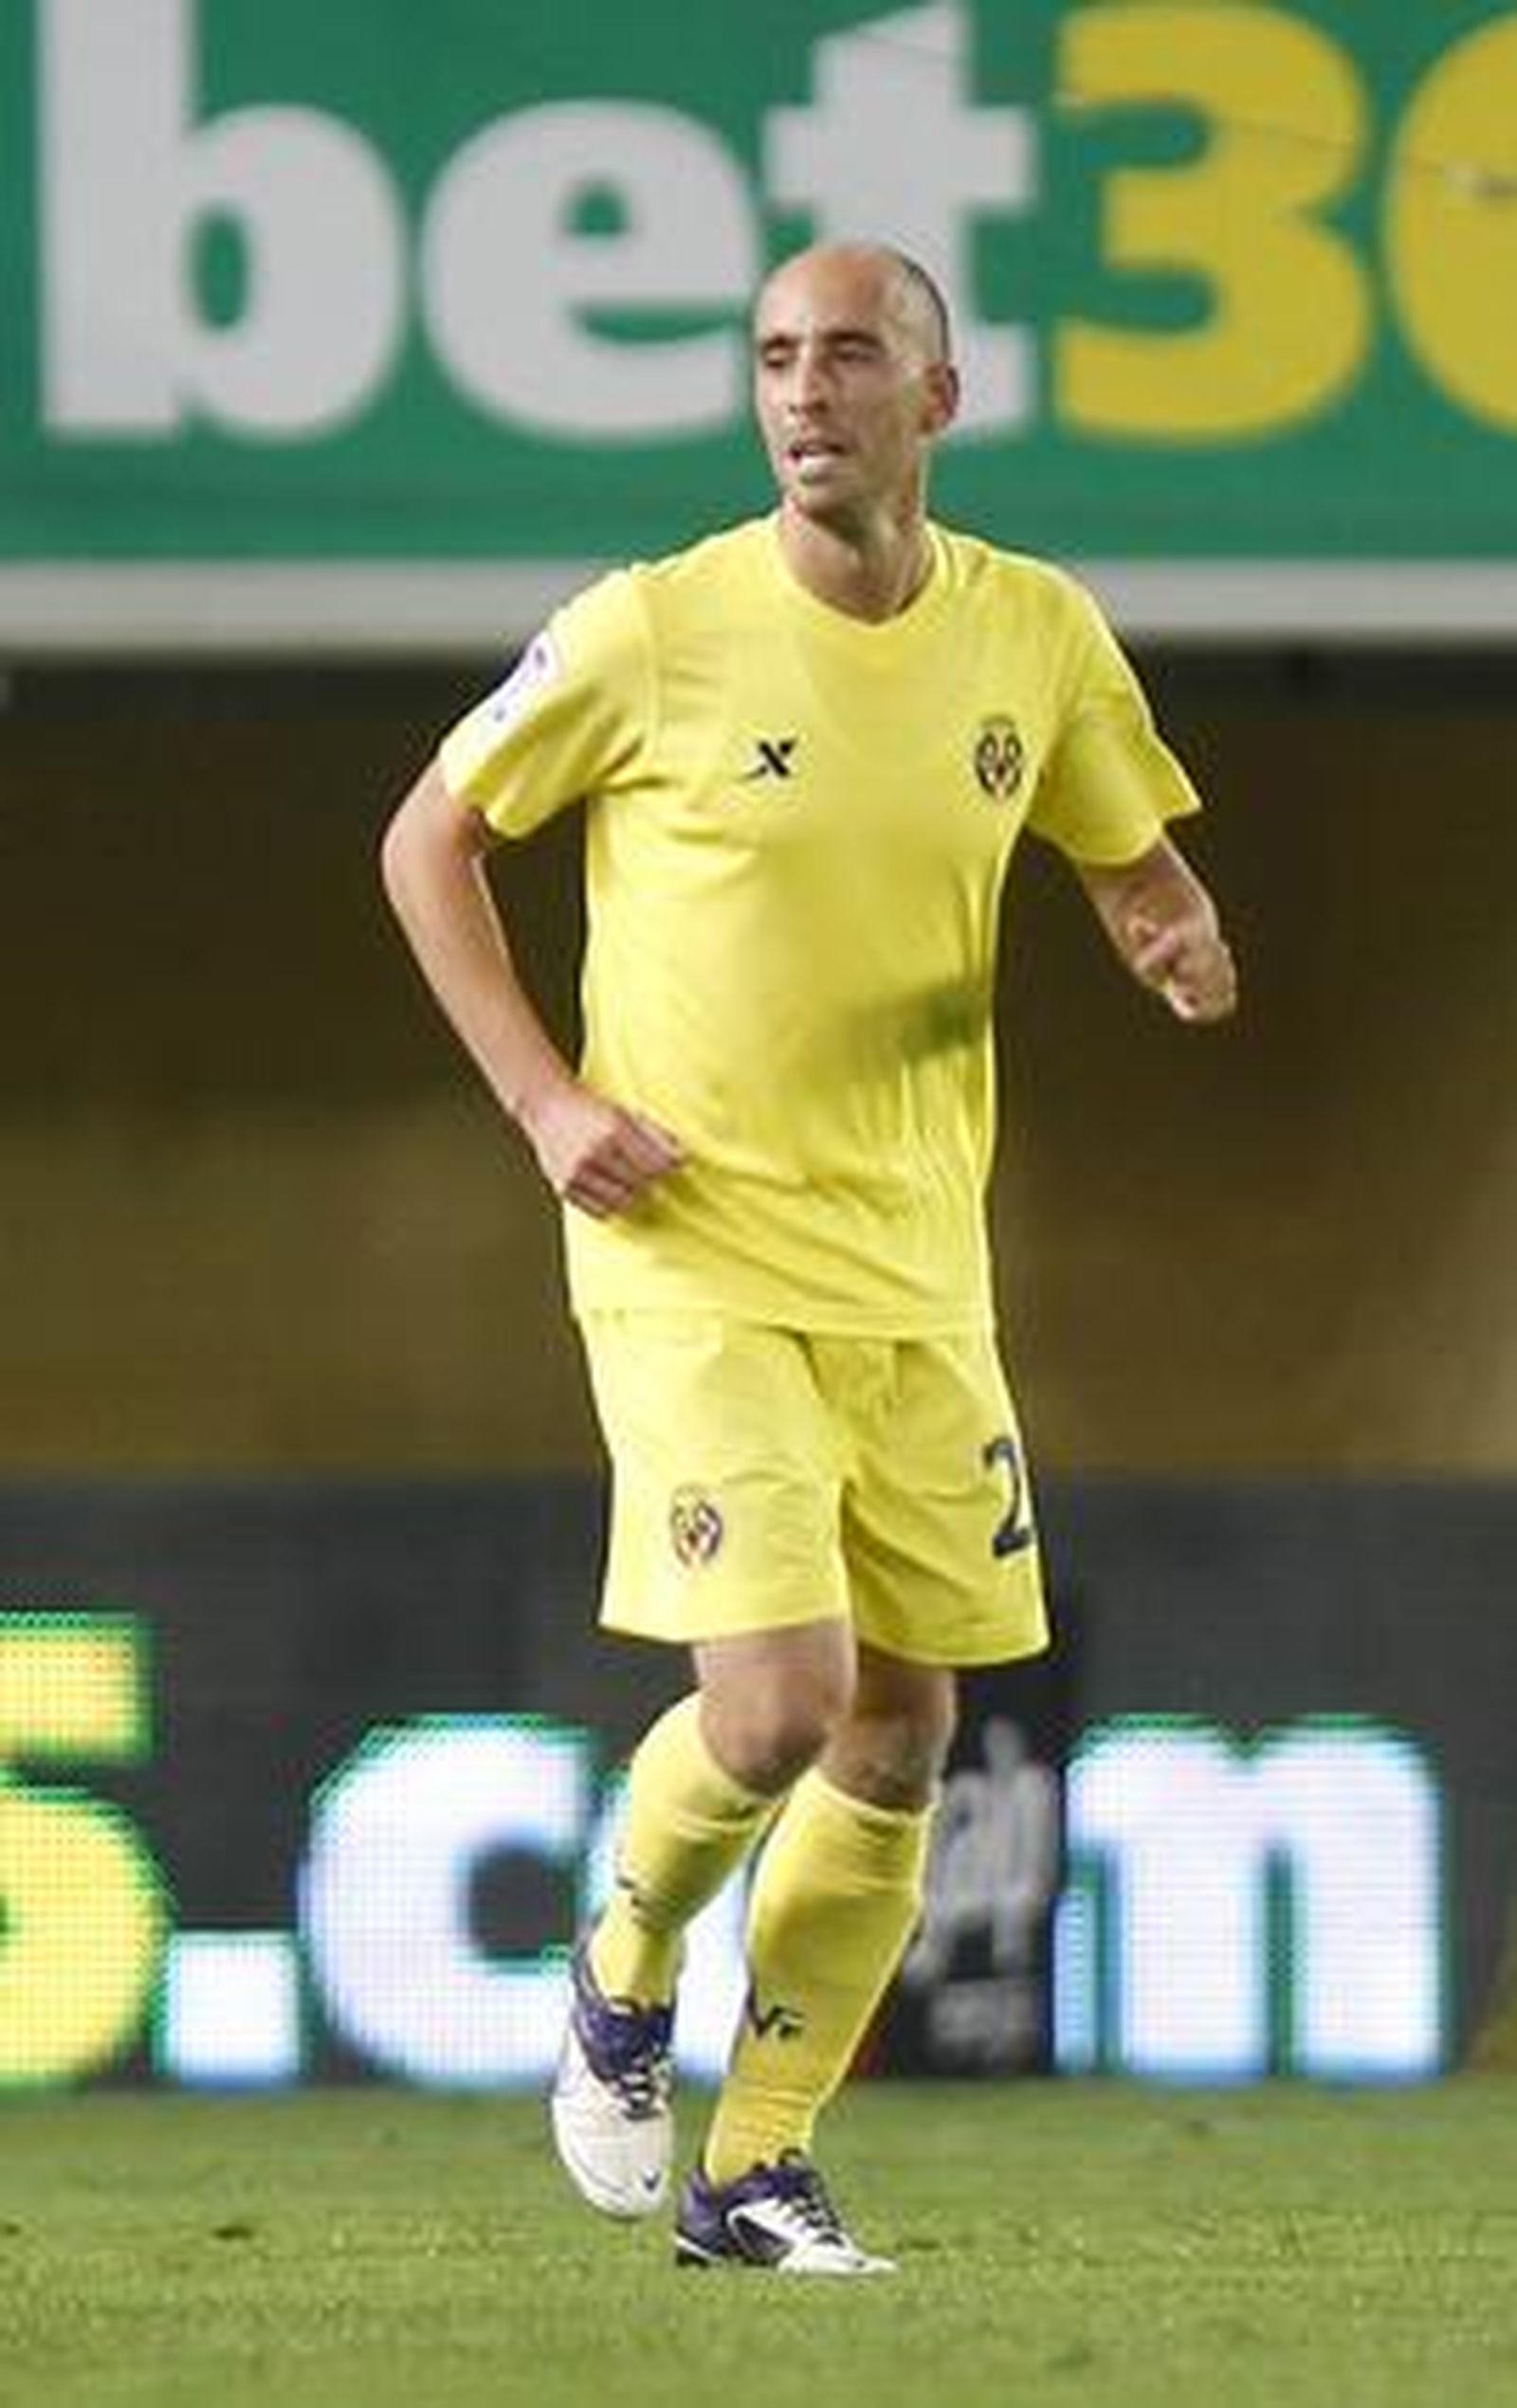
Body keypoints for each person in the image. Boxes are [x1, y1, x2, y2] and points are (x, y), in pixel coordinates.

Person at [380, 241, 1236, 2277]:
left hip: (919, 1275)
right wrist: (541, 1104)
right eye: (773, 355)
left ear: (935, 402)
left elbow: (1136, 868)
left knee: (899, 1734)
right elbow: (426, 838)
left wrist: (1173, 939)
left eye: (848, 354)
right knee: (771, 1706)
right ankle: (621, 1955)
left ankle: (750, 2169)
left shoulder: (1033, 634)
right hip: (685, 1242)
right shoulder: (648, 630)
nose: (803, 390)